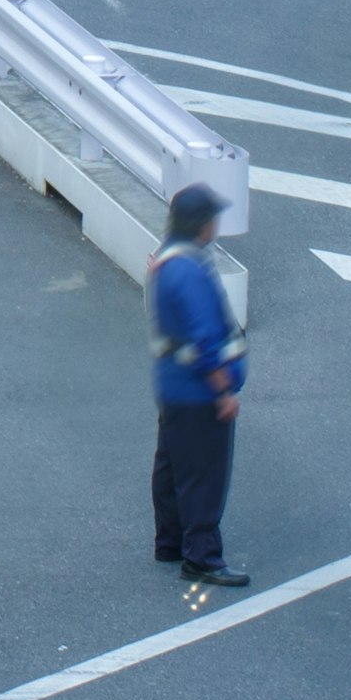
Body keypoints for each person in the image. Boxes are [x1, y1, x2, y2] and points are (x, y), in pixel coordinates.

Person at [150, 187, 250, 587]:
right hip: (198, 392)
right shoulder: (188, 268)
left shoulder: (167, 258)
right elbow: (205, 337)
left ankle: (170, 541)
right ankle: (202, 556)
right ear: (201, 223)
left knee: (173, 466)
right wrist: (222, 390)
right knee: (204, 474)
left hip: (173, 385)